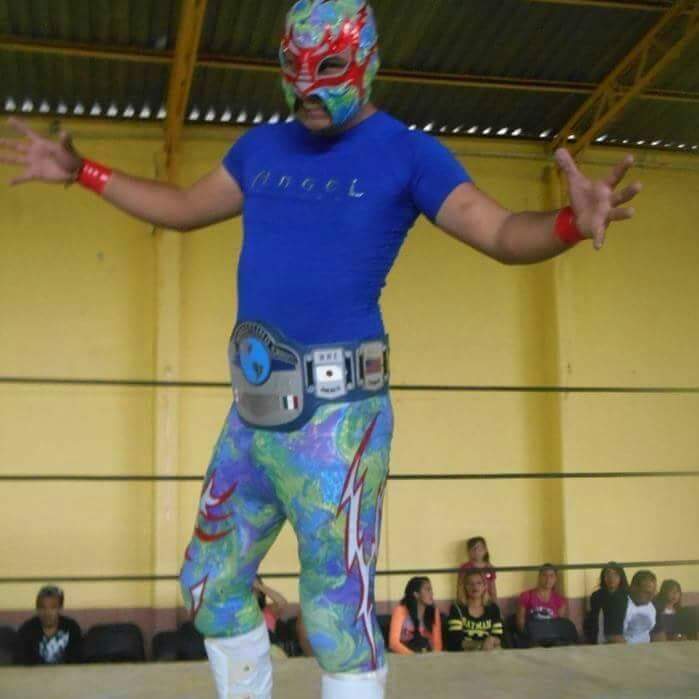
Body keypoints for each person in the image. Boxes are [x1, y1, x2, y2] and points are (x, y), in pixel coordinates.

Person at [0, 0, 641, 693]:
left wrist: (568, 224)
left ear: (366, 61)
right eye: (293, 66)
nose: (307, 86)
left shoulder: (407, 152)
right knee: (209, 583)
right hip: (251, 415)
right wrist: (84, 171)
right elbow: (182, 208)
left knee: (335, 616)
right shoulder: (260, 149)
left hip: (338, 422)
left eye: (328, 67)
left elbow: (500, 233)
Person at [17, 585, 82, 665]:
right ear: (37, 609)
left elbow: (78, 662)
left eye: (53, 607)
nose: (47, 613)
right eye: (42, 607)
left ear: (60, 608)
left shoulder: (72, 628)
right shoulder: (27, 630)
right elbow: (21, 663)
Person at [603, 570, 666, 644]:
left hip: (646, 649)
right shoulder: (617, 603)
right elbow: (613, 637)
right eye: (647, 592)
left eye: (653, 592)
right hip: (620, 649)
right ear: (633, 588)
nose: (651, 596)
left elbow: (658, 634)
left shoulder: (654, 605)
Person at [447, 569, 503, 651]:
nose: (475, 587)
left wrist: (492, 640)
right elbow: (455, 640)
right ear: (465, 587)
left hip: (489, 652)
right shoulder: (457, 608)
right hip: (464, 653)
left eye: (479, 583)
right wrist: (480, 645)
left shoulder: (493, 608)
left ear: (484, 586)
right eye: (470, 584)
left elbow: (499, 636)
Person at [388, 577, 442, 654]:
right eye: (427, 590)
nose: (432, 593)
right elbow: (393, 644)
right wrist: (414, 657)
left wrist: (433, 657)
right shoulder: (400, 610)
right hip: (404, 654)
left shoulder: (434, 611)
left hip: (426, 654)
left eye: (431, 590)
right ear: (416, 594)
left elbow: (437, 644)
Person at [587, 562, 630, 644]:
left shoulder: (628, 595)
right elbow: (593, 621)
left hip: (624, 639)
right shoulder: (596, 596)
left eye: (615, 574)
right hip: (602, 639)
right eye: (608, 574)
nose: (611, 578)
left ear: (621, 577)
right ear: (603, 577)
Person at [456, 536, 497, 602]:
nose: (476, 551)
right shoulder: (465, 567)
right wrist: (461, 601)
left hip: (487, 600)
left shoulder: (489, 567)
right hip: (469, 601)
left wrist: (494, 602)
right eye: (473, 548)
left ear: (485, 550)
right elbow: (460, 586)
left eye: (479, 548)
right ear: (468, 552)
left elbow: (493, 587)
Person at [253, 575, 289, 643]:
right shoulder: (236, 613)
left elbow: (282, 603)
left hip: (268, 642)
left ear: (259, 594)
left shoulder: (268, 610)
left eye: (252, 590)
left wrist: (259, 586)